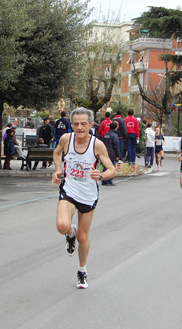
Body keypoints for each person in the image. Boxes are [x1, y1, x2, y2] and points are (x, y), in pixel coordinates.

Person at [52, 107, 116, 289]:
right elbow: (57, 153)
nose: (79, 127)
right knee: (62, 226)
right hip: (69, 189)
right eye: (76, 124)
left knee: (83, 237)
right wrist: (58, 169)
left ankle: (82, 271)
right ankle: (69, 234)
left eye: (83, 124)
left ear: (91, 124)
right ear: (71, 124)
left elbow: (112, 169)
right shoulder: (66, 140)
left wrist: (101, 175)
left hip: (88, 195)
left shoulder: (97, 145)